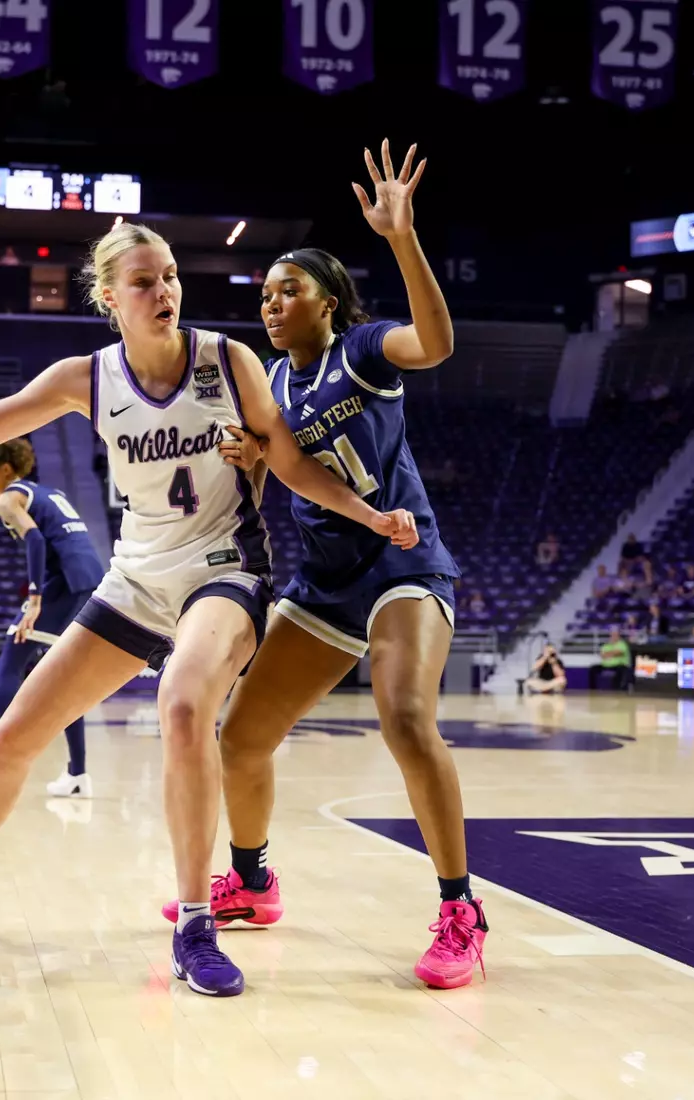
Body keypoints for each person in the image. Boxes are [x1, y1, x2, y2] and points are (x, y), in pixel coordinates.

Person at [0, 217, 415, 999]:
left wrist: (367, 515)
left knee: (186, 704)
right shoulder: (83, 377)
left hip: (221, 571)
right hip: (133, 579)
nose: (164, 291)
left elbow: (288, 460)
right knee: (18, 733)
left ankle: (196, 920)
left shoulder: (227, 360)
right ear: (108, 298)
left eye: (169, 276)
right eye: (144, 282)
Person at [154, 141, 482, 990]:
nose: (270, 303)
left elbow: (438, 342)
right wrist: (246, 454)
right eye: (262, 294)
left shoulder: (365, 351)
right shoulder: (266, 380)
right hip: (324, 579)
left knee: (406, 720)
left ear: (328, 303)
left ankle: (460, 909)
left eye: (287, 289)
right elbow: (271, 470)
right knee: (240, 736)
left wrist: (402, 238)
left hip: (401, 562)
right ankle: (254, 884)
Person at [0, 437, 107, 799]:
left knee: (10, 661)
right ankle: (78, 775)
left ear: (5, 469)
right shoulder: (46, 491)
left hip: (64, 582)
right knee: (66, 677)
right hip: (90, 576)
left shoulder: (8, 499)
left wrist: (35, 597)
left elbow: (37, 541)